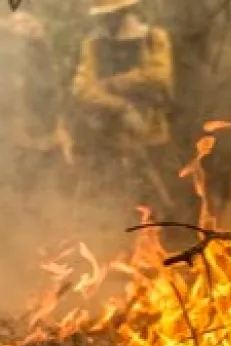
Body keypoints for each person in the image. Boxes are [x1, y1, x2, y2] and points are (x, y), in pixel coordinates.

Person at [70, 0, 176, 214]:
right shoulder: (93, 44)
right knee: (102, 206)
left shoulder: (153, 38)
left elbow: (158, 76)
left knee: (159, 204)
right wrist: (121, 107)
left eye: (112, 14)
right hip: (106, 137)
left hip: (150, 135)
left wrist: (113, 84)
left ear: (126, 11)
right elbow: (82, 88)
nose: (107, 19)